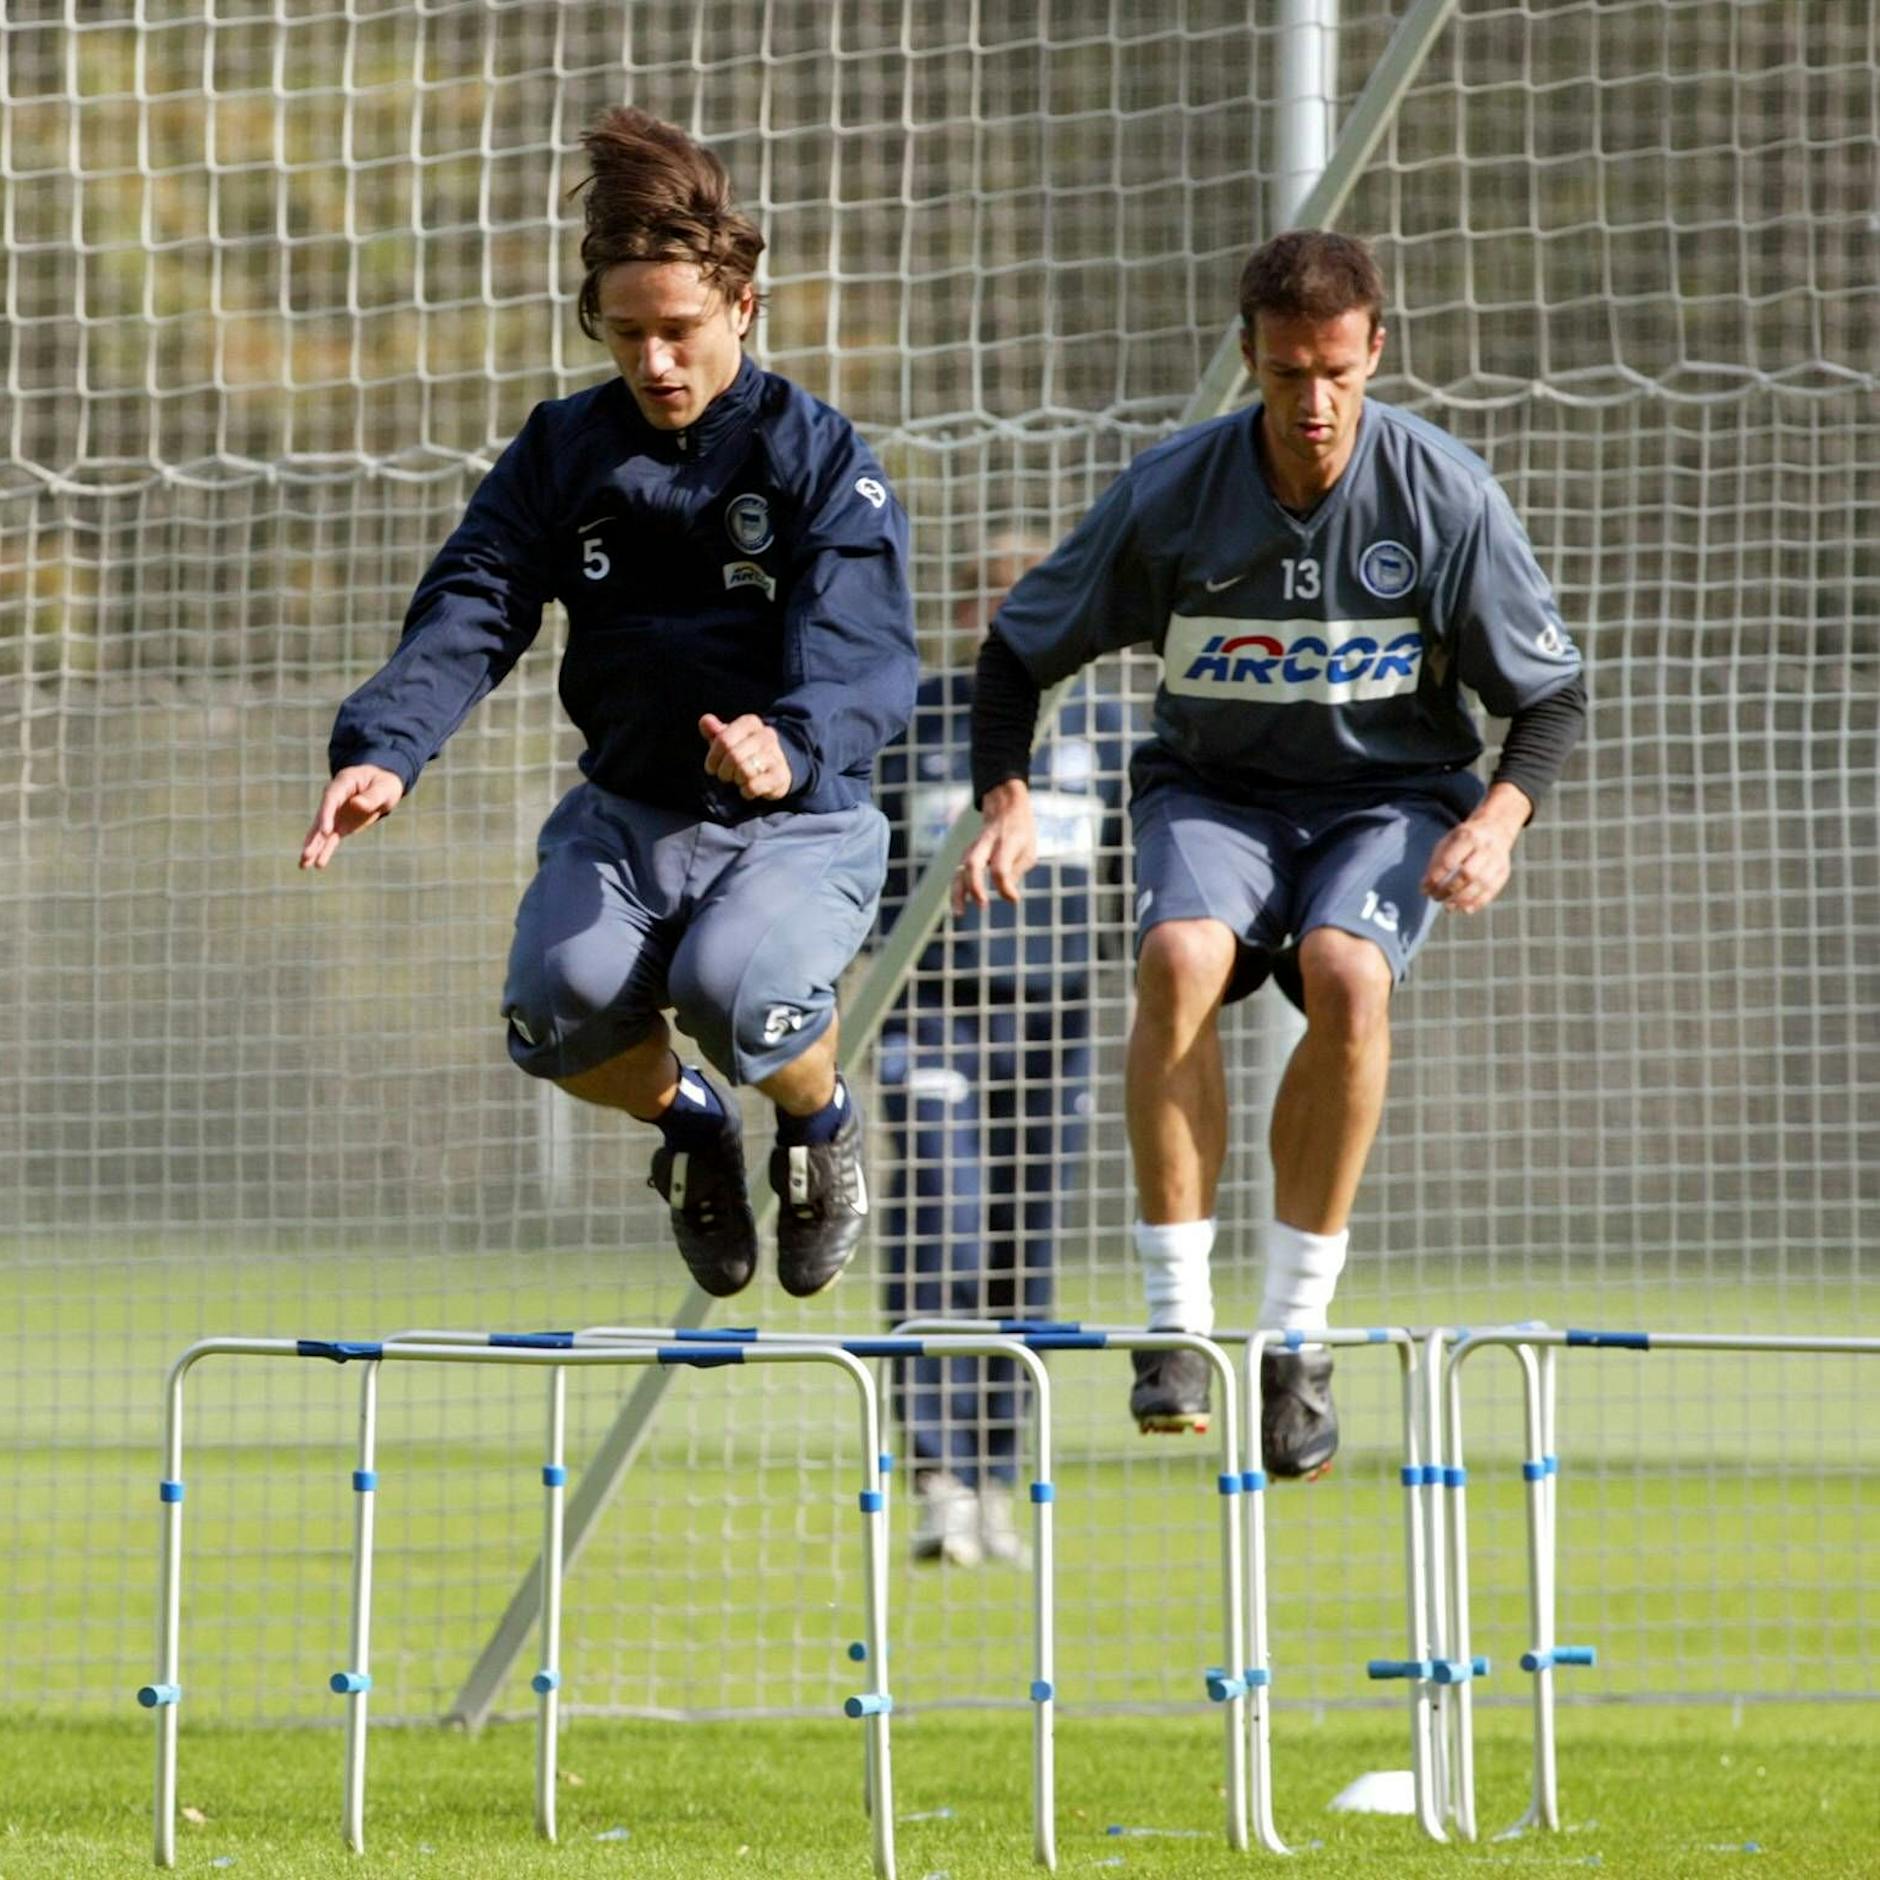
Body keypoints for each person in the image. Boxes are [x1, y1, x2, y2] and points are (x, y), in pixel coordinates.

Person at [956, 230, 1586, 1477]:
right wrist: (1005, 796)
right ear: (1246, 356)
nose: (1312, 404)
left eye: (1336, 374)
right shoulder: (1172, 492)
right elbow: (1016, 652)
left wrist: (1496, 820)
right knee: (1180, 954)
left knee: (1347, 974)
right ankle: (1175, 1322)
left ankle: (1295, 1336)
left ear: (1374, 351)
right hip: (1212, 793)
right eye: (1286, 372)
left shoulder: (1443, 495)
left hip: (1388, 795)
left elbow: (1550, 699)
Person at [299, 108, 917, 1301]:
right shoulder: (563, 448)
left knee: (733, 991)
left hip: (791, 820)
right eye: (625, 334)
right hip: (628, 813)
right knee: (555, 1008)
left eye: (679, 331)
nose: (654, 363)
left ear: (742, 304)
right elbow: (475, 598)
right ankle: (693, 1131)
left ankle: (820, 1124)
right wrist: (387, 745)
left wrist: (785, 741)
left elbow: (864, 648)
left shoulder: (817, 457)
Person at [875, 540, 1129, 1566]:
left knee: (1023, 1246)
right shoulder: (919, 723)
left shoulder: (1112, 735)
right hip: (928, 1012)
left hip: (1051, 1023)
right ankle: (933, 1475)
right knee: (943, 1213)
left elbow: (1136, 879)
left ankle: (994, 1477)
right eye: (992, 601)